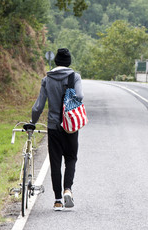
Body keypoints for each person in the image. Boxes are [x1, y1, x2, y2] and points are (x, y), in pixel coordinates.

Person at [31, 48, 84, 211]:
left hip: (53, 126)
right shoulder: (74, 77)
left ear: (56, 62)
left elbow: (39, 105)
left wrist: (32, 122)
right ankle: (68, 189)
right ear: (69, 62)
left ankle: (58, 200)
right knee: (71, 158)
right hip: (70, 126)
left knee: (55, 162)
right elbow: (80, 96)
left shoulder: (47, 79)